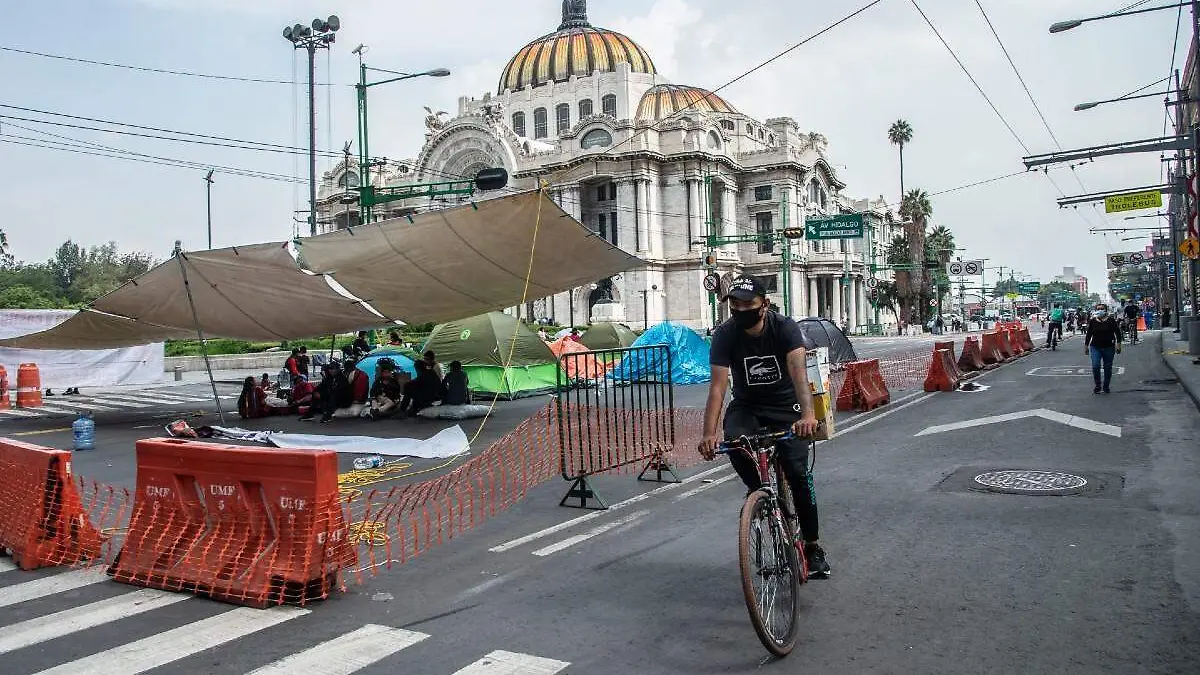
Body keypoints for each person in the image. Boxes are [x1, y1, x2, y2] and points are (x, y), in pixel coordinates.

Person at [696, 276, 830, 579]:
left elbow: (799, 375)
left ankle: (813, 546)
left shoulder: (784, 328)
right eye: (735, 304)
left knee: (798, 475)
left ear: (764, 305)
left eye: (748, 304)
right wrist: (708, 434)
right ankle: (758, 494)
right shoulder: (725, 334)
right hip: (748, 406)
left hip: (787, 407)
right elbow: (717, 388)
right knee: (735, 442)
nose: (741, 309)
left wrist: (807, 417)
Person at [1084, 303, 1122, 394]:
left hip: (1109, 347)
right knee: (1095, 366)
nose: (1100, 310)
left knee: (1107, 367)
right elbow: (1089, 334)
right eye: (1098, 309)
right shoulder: (1093, 321)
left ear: (1106, 310)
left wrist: (1118, 344)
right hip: (1095, 347)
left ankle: (1106, 386)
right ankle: (1097, 385)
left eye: (1102, 309)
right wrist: (1086, 346)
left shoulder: (1111, 321)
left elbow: (1118, 333)